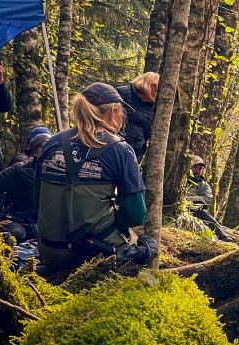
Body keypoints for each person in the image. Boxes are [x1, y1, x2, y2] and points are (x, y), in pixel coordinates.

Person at [36, 82, 157, 270]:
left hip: (48, 249)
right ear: (112, 113)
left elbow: (38, 197)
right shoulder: (120, 149)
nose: (123, 117)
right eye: (121, 111)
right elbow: (136, 215)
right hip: (92, 251)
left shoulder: (51, 143)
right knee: (147, 249)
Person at [0, 126, 52, 242]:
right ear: (34, 151)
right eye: (41, 146)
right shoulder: (20, 170)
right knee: (16, 233)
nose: (46, 150)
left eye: (49, 146)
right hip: (16, 221)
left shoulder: (57, 171)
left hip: (39, 224)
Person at [186, 155, 232, 241]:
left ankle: (223, 236)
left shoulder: (203, 184)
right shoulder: (180, 181)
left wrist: (189, 199)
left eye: (200, 169)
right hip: (181, 211)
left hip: (197, 210)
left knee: (205, 214)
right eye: (195, 167)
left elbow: (207, 199)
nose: (198, 171)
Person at [117, 72, 159, 163]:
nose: (156, 90)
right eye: (153, 86)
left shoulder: (154, 106)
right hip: (115, 148)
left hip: (135, 154)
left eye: (158, 88)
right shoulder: (123, 92)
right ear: (145, 83)